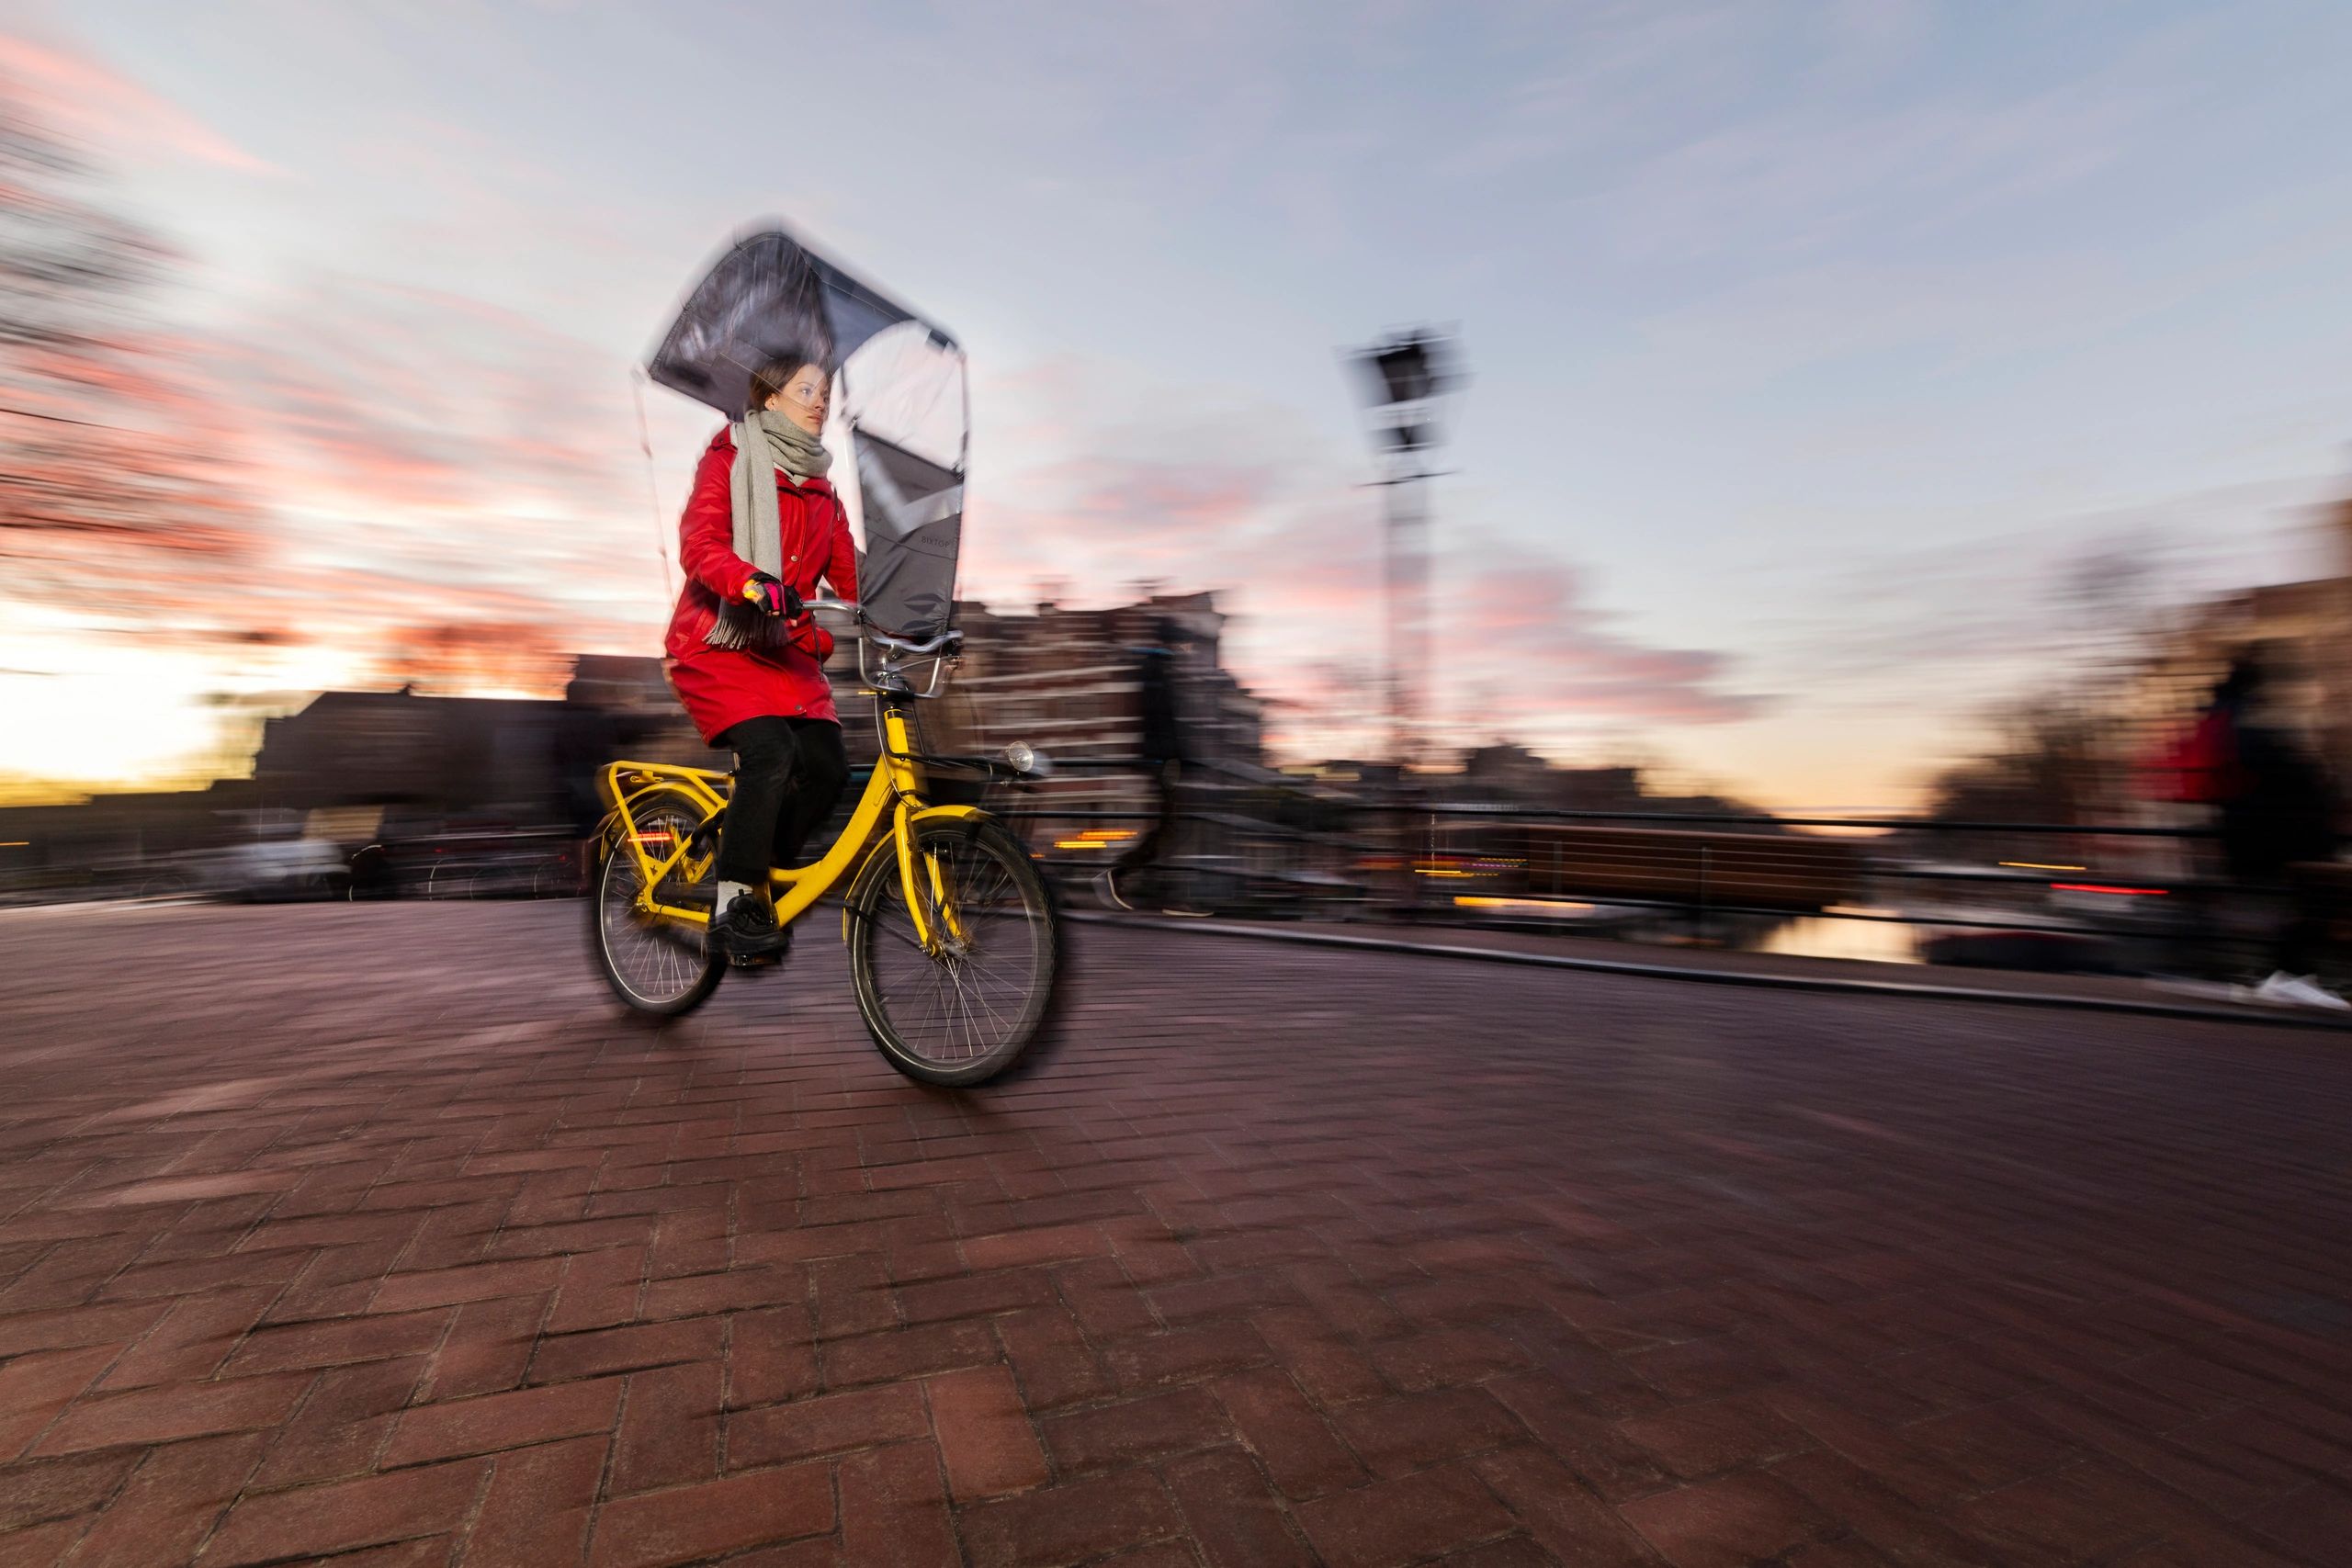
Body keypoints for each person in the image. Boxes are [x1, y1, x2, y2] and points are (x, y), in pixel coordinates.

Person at [662, 351, 858, 963]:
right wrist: (750, 580)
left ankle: (755, 875)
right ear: (770, 400)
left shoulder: (825, 492)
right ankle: (735, 902)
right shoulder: (729, 459)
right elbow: (701, 541)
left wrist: (919, 613)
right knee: (772, 750)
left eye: (825, 392)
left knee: (828, 770)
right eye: (807, 390)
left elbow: (854, 580)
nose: (821, 401)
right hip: (722, 640)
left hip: (787, 649)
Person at [2187, 649, 2344, 1007]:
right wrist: (2317, 780)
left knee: (2301, 901)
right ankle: (2290, 975)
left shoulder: (2227, 717)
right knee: (2318, 897)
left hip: (2252, 834)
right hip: (2274, 835)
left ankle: (2283, 974)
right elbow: (2285, 775)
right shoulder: (2248, 723)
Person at [1096, 619, 1202, 915]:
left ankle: (1150, 889)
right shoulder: (1156, 671)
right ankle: (1123, 876)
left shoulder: (1158, 669)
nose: (1185, 649)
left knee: (1167, 827)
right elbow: (1162, 722)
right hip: (1162, 763)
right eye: (1182, 643)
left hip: (1164, 761)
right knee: (1167, 828)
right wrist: (1174, 757)